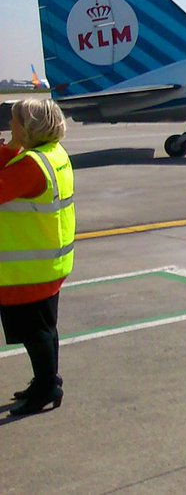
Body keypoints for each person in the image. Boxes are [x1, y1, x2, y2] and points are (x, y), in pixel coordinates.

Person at [0, 98, 74, 415]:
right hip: (48, 262)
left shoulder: (30, 165)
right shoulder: (52, 154)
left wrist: (7, 148)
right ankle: (47, 380)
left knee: (36, 332)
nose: (10, 126)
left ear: (28, 127)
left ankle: (46, 387)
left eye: (15, 121)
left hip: (28, 270)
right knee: (45, 329)